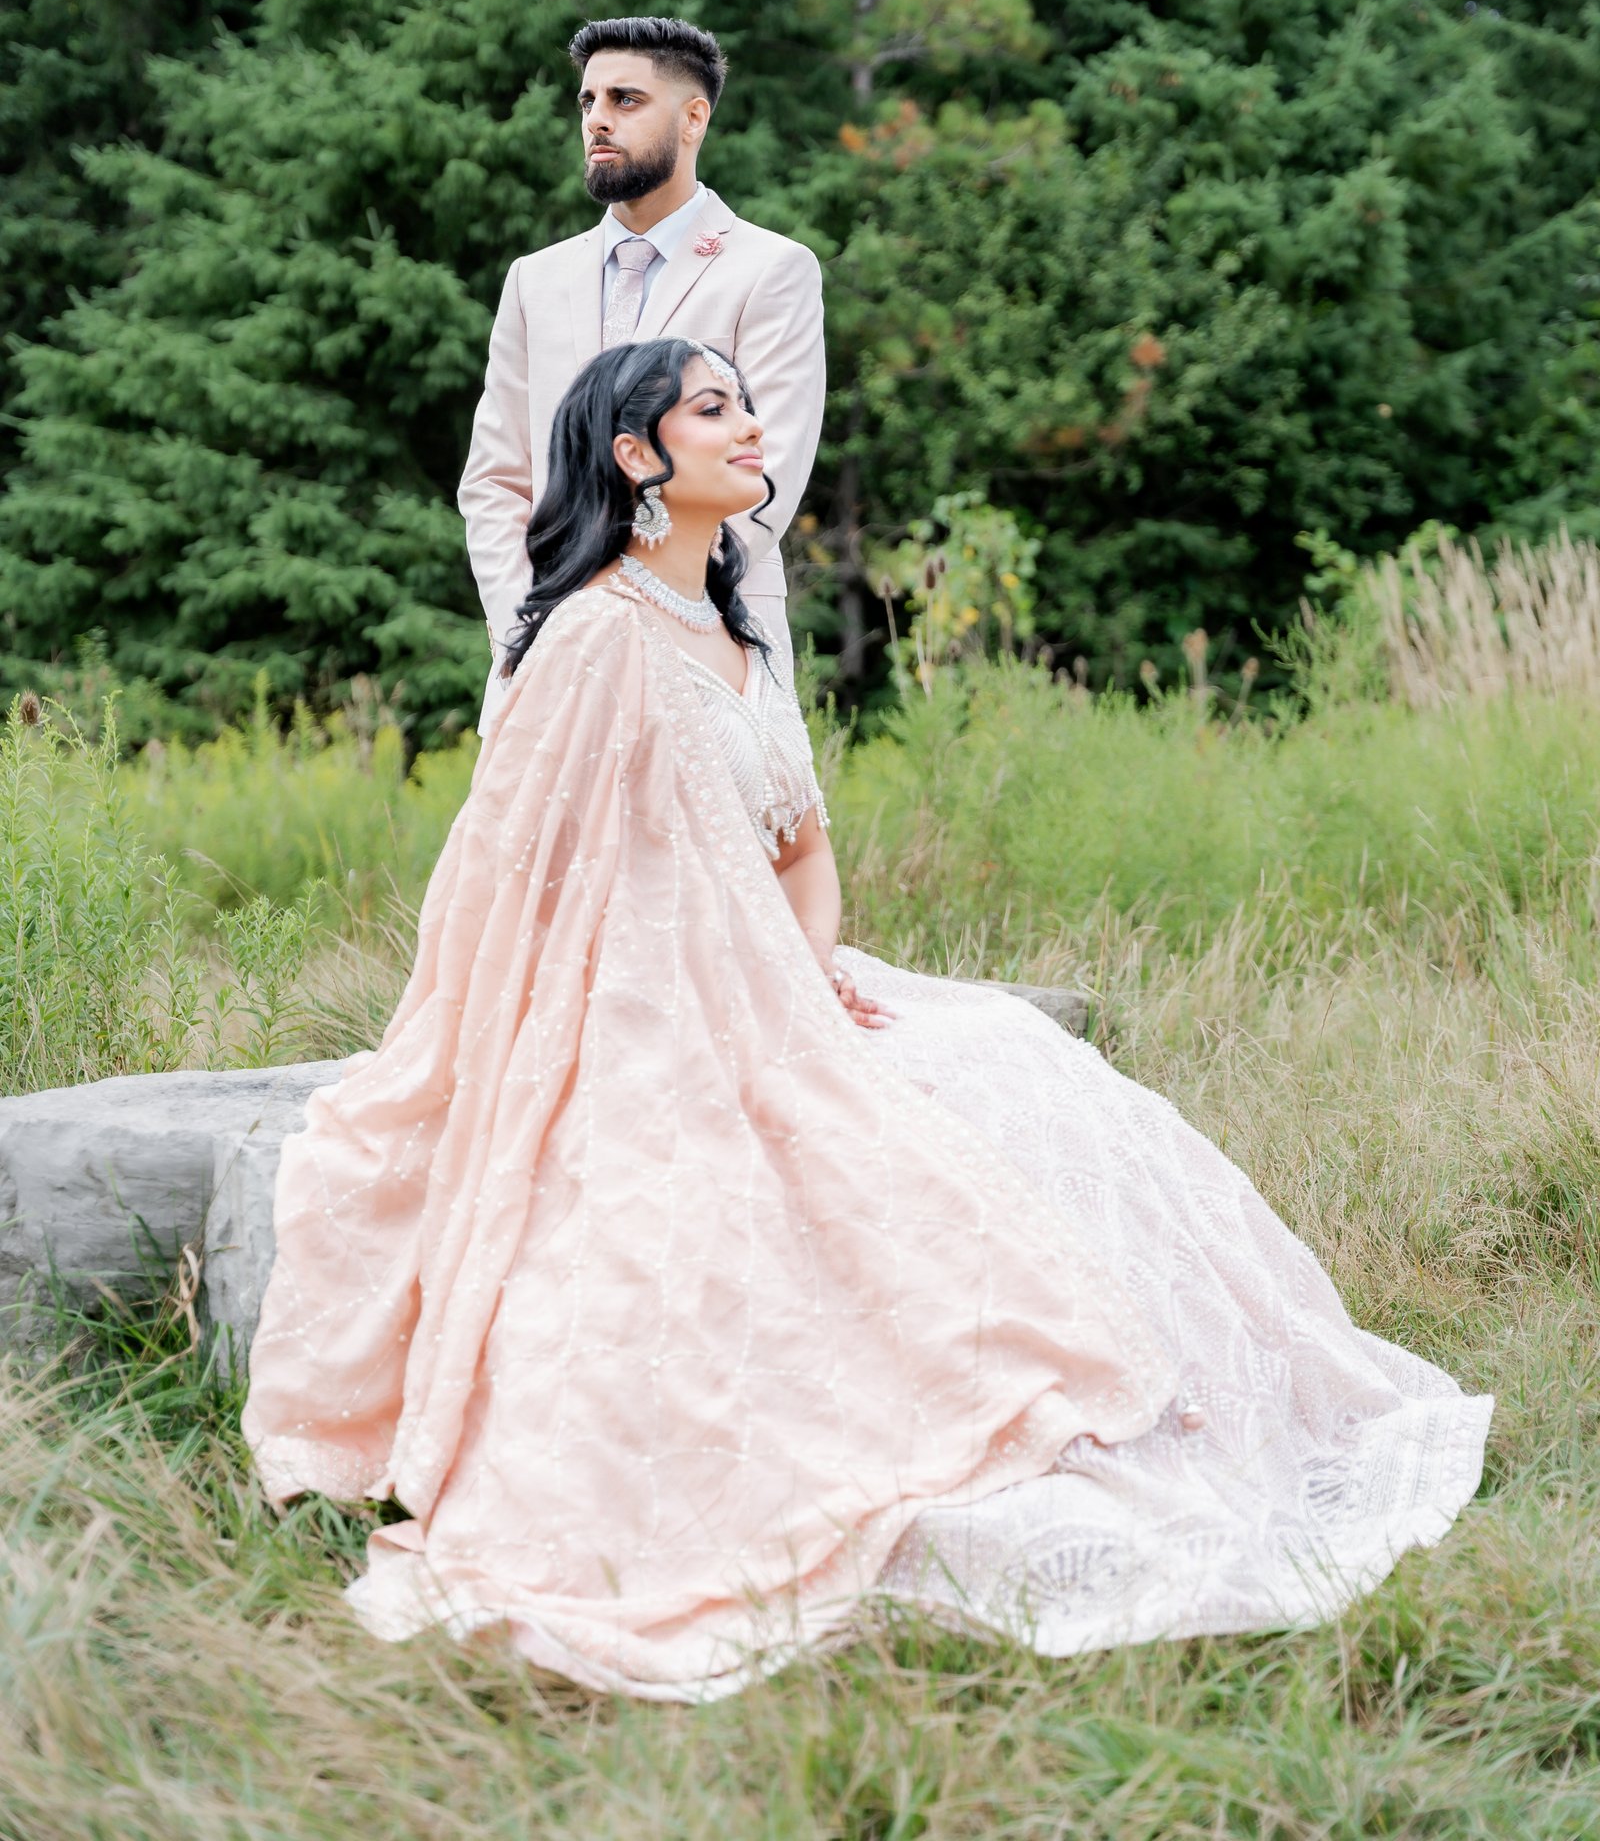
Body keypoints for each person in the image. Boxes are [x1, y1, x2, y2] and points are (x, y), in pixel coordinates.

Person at [243, 339, 1491, 1703]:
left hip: (780, 976)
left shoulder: (737, 636)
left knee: (1013, 1062)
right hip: (647, 1003)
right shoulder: (595, 639)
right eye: (712, 409)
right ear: (637, 455)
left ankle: (1163, 1396)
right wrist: (728, 998)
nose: (750, 425)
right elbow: (518, 880)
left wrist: (800, 973)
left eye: (748, 403)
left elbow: (803, 851)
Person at [457, 15, 825, 727]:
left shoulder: (770, 270)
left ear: (694, 119)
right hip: (546, 659)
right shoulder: (534, 280)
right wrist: (535, 625)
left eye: (625, 100)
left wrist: (651, 614)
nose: (597, 119)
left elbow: (765, 473)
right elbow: (497, 480)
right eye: (588, 101)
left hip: (713, 646)